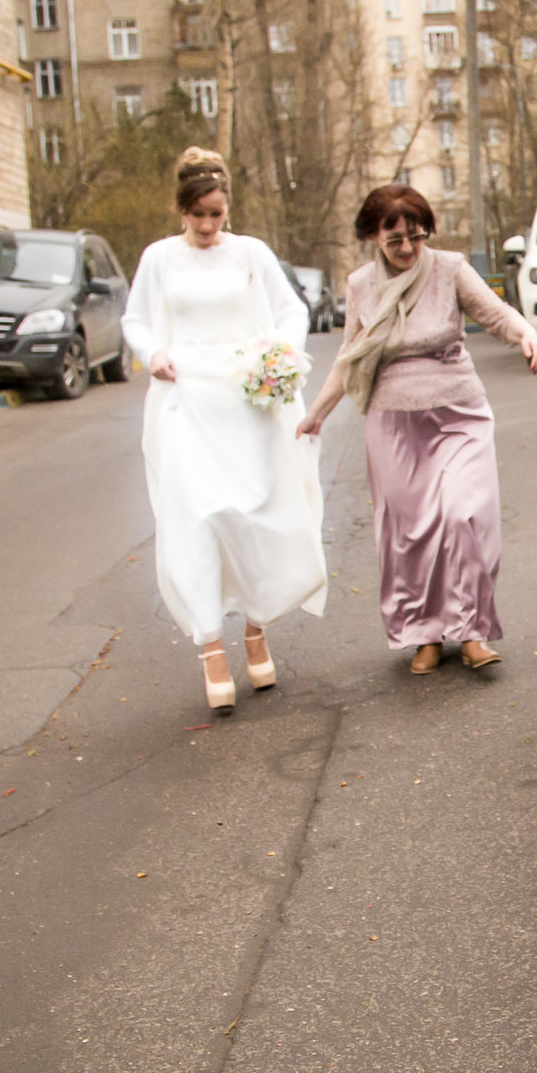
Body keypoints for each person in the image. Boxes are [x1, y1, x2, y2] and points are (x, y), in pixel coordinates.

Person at [296, 185, 537, 674]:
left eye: (416, 236)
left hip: (458, 410)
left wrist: (527, 334)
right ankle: (424, 633)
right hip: (393, 421)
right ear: (373, 236)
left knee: (463, 513)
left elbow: (495, 314)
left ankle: (473, 629)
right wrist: (317, 413)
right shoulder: (361, 285)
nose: (408, 248)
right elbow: (351, 359)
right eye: (395, 240)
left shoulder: (449, 269)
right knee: (410, 531)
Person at [121, 148, 327, 711]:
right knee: (198, 516)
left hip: (246, 401)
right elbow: (135, 319)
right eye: (197, 216)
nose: (208, 226)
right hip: (187, 398)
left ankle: (257, 628)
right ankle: (210, 645)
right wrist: (153, 353)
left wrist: (279, 356)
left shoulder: (251, 253)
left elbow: (292, 312)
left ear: (228, 207)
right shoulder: (160, 258)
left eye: (216, 214)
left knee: (257, 514)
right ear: (181, 210)